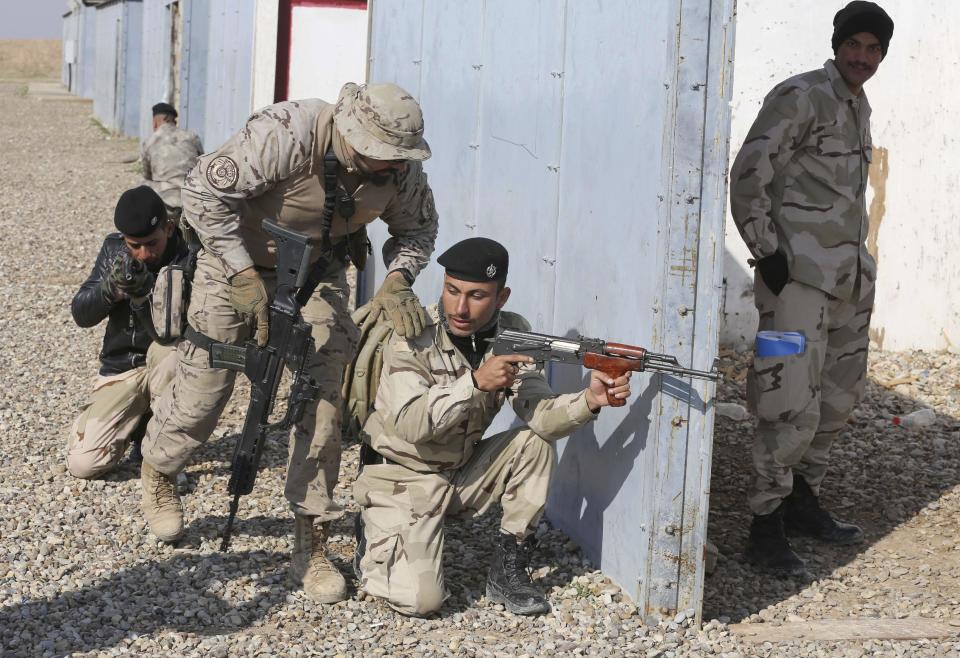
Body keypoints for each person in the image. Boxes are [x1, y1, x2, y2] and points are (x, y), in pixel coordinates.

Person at [138, 82, 439, 606]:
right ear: (349, 134)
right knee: (205, 389)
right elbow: (202, 193)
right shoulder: (288, 132)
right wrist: (237, 272)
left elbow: (419, 229)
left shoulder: (399, 170)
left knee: (323, 404)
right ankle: (160, 467)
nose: (389, 168)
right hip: (234, 265)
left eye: (397, 160)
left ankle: (310, 533)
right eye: (380, 157)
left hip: (317, 275)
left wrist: (398, 279)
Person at [352, 237, 633, 617]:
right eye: (452, 291)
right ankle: (373, 529)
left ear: (501, 298)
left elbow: (542, 416)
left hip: (460, 471)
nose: (461, 307)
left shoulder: (513, 334)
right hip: (401, 477)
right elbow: (410, 424)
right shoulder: (413, 334)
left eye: (478, 296)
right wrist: (475, 383)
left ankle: (508, 570)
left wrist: (590, 400)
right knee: (421, 602)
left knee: (535, 442)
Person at [729, 1, 893, 575]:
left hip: (846, 281)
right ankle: (764, 521)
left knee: (837, 395)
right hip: (794, 283)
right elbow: (751, 169)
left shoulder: (856, 104)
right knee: (785, 396)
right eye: (855, 45)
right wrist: (766, 250)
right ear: (837, 43)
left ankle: (801, 497)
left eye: (874, 50)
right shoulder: (800, 96)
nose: (863, 57)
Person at [68, 186, 189, 479]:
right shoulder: (114, 251)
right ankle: (136, 426)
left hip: (167, 362)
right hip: (122, 368)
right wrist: (110, 291)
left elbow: (174, 331)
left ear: (169, 228)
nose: (144, 254)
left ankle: (163, 453)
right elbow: (81, 314)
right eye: (134, 245)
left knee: (169, 355)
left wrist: (146, 295)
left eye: (152, 243)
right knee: (84, 465)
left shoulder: (188, 257)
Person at [140, 102, 204, 220]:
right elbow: (202, 165)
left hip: (165, 200)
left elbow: (147, 175)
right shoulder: (191, 136)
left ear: (155, 122)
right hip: (192, 196)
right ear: (173, 121)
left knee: (143, 184)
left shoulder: (149, 141)